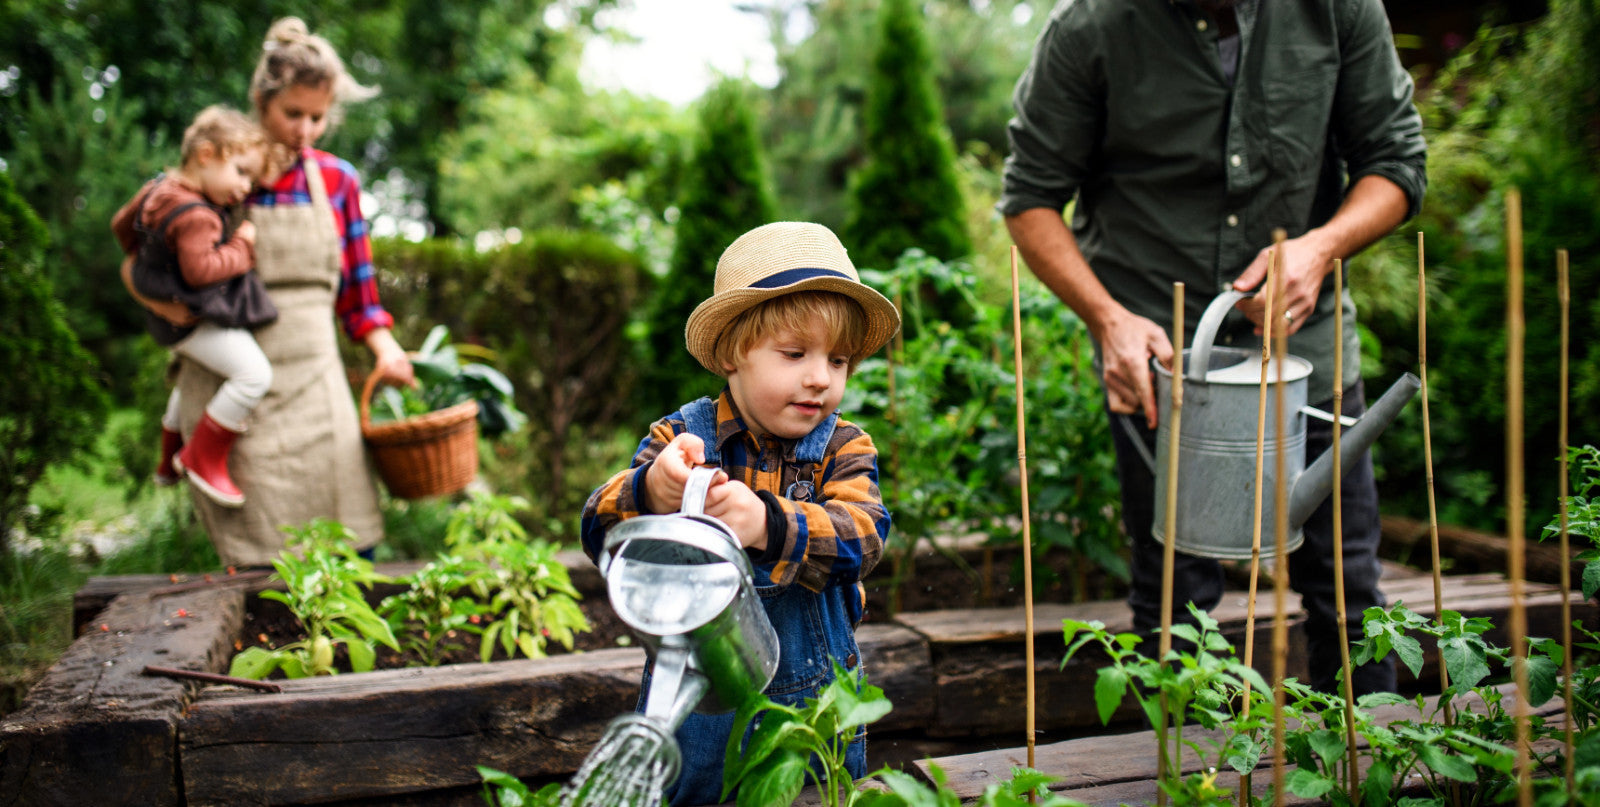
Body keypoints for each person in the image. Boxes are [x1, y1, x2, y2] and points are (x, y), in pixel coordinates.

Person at [999, 0, 1427, 695]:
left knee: (1347, 589)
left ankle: (1364, 767)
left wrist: (1319, 248)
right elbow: (1029, 197)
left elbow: (1397, 162)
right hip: (1162, 363)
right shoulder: (1092, 27)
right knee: (1174, 597)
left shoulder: (1338, 10)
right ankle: (1180, 777)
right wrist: (1109, 319)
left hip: (1303, 354)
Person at [580, 222, 899, 806]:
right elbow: (600, 531)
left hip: (810, 708)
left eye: (840, 360)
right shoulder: (683, 438)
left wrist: (768, 523)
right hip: (699, 699)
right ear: (732, 353)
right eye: (795, 353)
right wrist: (655, 491)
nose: (820, 378)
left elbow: (865, 537)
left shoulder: (842, 449)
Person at [123, 17, 414, 567]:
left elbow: (358, 288)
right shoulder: (224, 176)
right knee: (256, 552)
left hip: (316, 380)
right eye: (292, 114)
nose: (305, 128)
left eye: (317, 117)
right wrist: (163, 306)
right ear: (261, 101)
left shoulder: (337, 181)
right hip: (236, 387)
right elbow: (148, 262)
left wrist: (386, 350)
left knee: (352, 536)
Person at [112, 105, 280, 508]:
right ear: (206, 154)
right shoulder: (198, 215)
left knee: (191, 381)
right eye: (241, 172)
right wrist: (243, 244)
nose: (245, 188)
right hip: (192, 320)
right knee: (254, 375)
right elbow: (203, 271)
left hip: (165, 319)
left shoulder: (156, 189)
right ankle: (201, 457)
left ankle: (168, 459)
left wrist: (150, 267)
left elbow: (121, 225)